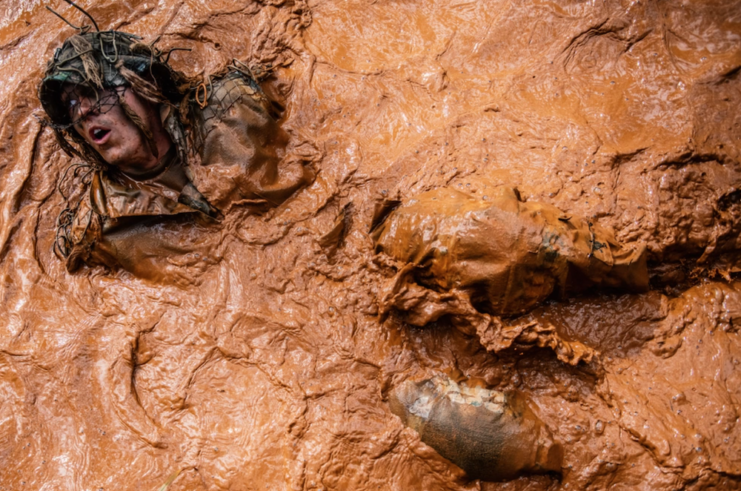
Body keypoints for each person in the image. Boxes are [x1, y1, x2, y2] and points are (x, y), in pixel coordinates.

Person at [372, 185, 649, 481]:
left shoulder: (409, 232)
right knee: (562, 248)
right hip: (498, 243)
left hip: (487, 251)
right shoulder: (433, 216)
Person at [39, 29, 316, 278]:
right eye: (71, 104)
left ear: (145, 83)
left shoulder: (234, 105)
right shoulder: (101, 232)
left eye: (94, 90)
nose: (84, 112)